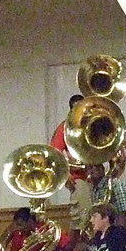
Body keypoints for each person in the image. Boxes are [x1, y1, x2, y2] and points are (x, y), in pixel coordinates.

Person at [49, 93, 91, 230]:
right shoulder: (65, 127)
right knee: (85, 216)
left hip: (95, 174)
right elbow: (54, 152)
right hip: (79, 177)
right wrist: (65, 174)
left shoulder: (93, 124)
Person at [85, 163, 126, 251]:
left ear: (103, 168)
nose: (93, 169)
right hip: (109, 237)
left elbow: (124, 213)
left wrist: (116, 239)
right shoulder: (94, 189)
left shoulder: (116, 184)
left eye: (97, 166)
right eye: (89, 167)